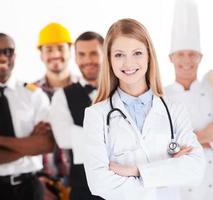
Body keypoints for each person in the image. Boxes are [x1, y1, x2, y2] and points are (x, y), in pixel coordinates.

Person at [83, 18, 205, 200]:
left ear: (149, 55)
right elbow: (100, 183)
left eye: (137, 53)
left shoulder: (174, 110)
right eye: (119, 55)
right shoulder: (96, 115)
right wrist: (167, 173)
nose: (128, 63)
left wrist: (134, 171)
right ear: (109, 59)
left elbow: (195, 170)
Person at [0, 33, 54, 200]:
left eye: (8, 51)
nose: (2, 56)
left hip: (29, 188)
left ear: (15, 56)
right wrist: (29, 144)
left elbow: (46, 144)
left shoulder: (33, 94)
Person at [165, 0, 213, 199]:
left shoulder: (210, 88)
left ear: (200, 57)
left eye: (192, 54)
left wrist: (183, 143)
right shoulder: (161, 96)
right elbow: (164, 146)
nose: (186, 61)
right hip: (179, 189)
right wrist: (202, 137)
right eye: (181, 54)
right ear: (171, 58)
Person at [50, 31, 104, 200]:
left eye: (94, 53)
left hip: (122, 188)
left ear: (106, 54)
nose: (87, 60)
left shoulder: (122, 90)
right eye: (81, 55)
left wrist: (78, 133)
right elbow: (63, 138)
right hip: (83, 188)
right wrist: (113, 134)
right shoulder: (62, 96)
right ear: (75, 58)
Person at [35, 22, 79, 200]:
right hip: (45, 184)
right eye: (49, 50)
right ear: (41, 54)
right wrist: (36, 181)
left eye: (60, 48)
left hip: (82, 182)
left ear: (70, 50)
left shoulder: (85, 89)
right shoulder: (30, 94)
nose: (55, 55)